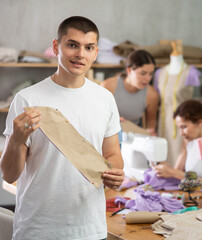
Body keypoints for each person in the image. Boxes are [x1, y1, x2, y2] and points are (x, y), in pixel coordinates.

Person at [0, 16, 124, 239]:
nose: (80, 54)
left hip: (90, 229)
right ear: (56, 47)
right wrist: (16, 140)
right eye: (73, 45)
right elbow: (9, 175)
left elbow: (113, 153)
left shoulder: (105, 99)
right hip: (38, 229)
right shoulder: (27, 99)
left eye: (89, 47)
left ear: (95, 53)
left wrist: (114, 172)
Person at [154, 99, 202, 187]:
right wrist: (166, 169)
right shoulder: (188, 143)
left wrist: (174, 173)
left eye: (184, 127)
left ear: (199, 122)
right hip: (194, 195)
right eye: (179, 128)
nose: (181, 133)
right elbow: (176, 173)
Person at [101, 49, 159, 136]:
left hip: (134, 136)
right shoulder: (108, 86)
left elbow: (151, 120)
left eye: (151, 74)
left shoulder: (152, 95)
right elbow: (97, 115)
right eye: (143, 73)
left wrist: (150, 132)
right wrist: (112, 119)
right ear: (129, 70)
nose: (148, 78)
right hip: (107, 132)